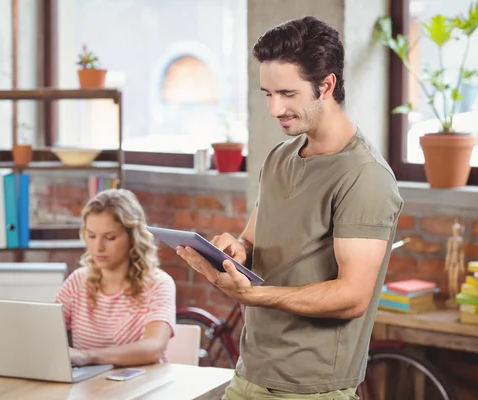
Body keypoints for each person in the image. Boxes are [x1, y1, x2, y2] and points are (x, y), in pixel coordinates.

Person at [177, 16, 403, 399]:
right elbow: (253, 238)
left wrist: (255, 295)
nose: (274, 108)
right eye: (267, 93)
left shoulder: (365, 175)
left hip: (311, 388)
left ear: (326, 85)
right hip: (250, 373)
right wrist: (234, 251)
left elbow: (353, 297)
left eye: (287, 93)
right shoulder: (280, 157)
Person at [55, 189, 176, 367]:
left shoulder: (158, 284)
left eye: (110, 238)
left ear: (132, 238)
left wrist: (87, 357)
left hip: (144, 386)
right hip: (91, 389)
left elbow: (154, 347)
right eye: (91, 236)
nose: (98, 247)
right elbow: (46, 332)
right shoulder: (78, 281)